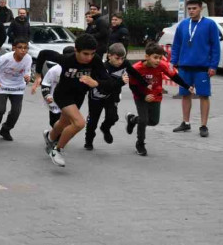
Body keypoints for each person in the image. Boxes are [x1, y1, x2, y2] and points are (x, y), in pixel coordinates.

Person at [34, 34, 115, 167]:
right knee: (79, 123)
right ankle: (57, 150)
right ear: (76, 50)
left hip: (78, 96)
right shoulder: (66, 59)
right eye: (85, 54)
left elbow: (109, 82)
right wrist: (38, 75)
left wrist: (96, 82)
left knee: (64, 122)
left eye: (92, 54)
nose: (89, 57)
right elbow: (43, 54)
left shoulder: (95, 60)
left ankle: (50, 136)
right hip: (63, 95)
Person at [126, 43, 194, 156]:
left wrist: (187, 86)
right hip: (141, 96)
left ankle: (132, 119)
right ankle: (140, 144)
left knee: (153, 121)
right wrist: (143, 96)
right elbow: (132, 86)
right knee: (143, 120)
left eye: (160, 57)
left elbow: (174, 76)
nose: (158, 60)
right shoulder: (136, 68)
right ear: (147, 56)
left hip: (155, 96)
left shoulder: (162, 65)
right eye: (155, 57)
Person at [81, 43, 148, 151]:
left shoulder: (125, 64)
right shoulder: (102, 68)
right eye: (117, 58)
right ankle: (88, 141)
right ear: (109, 56)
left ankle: (105, 128)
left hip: (112, 96)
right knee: (93, 120)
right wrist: (121, 82)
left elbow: (134, 74)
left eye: (122, 58)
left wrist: (145, 84)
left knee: (113, 117)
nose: (120, 61)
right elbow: (105, 86)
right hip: (97, 96)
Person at [170, 0, 220, 137]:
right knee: (185, 95)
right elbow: (177, 45)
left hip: (202, 67)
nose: (191, 11)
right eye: (189, 9)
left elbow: (215, 46)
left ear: (201, 8)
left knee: (204, 95)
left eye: (194, 8)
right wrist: (173, 62)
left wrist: (213, 65)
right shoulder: (183, 25)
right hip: (184, 66)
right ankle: (185, 123)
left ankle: (203, 125)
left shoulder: (210, 24)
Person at [0, 37, 32, 141]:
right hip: (2, 86)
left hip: (17, 87)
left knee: (16, 111)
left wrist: (28, 76)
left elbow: (27, 71)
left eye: (26, 48)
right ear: (13, 48)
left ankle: (5, 130)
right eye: (20, 47)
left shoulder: (28, 58)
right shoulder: (5, 58)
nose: (23, 50)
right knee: (0, 110)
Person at [38, 46, 75, 128]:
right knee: (54, 122)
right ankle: (54, 136)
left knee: (67, 121)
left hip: (69, 100)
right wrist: (47, 95)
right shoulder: (55, 70)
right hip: (54, 100)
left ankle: (58, 137)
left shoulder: (76, 69)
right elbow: (45, 84)